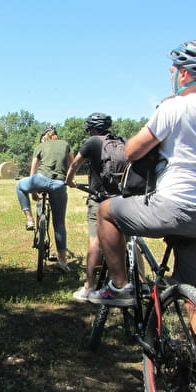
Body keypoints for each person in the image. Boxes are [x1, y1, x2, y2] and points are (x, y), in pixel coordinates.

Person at [88, 40, 196, 307]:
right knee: (193, 297)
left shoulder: (174, 107)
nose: (171, 77)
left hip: (175, 206)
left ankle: (120, 287)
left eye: (171, 72)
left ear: (183, 73)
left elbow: (132, 151)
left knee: (105, 211)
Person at [66, 113, 116, 300]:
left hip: (99, 197)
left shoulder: (93, 141)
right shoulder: (119, 141)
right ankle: (141, 283)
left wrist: (69, 181)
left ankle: (89, 286)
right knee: (128, 240)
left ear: (93, 129)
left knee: (95, 240)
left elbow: (75, 163)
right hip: (120, 198)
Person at [16, 126, 74, 272]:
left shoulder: (40, 146)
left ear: (44, 137)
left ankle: (29, 219)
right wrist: (69, 180)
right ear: (56, 136)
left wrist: (33, 190)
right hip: (59, 184)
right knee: (59, 223)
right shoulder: (65, 144)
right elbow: (72, 164)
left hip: (40, 180)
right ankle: (62, 261)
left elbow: (33, 170)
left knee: (19, 186)